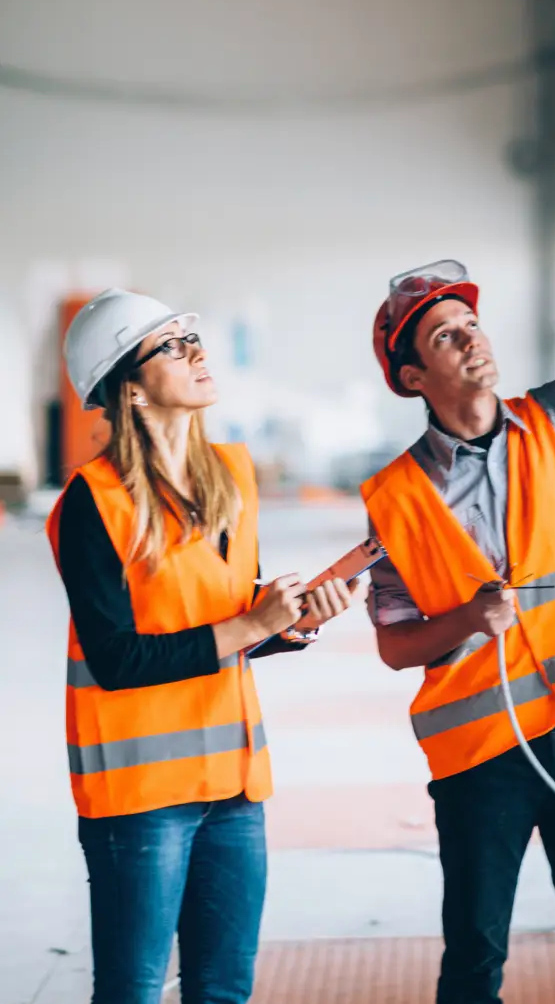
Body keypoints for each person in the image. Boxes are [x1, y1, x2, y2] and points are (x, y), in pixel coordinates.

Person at [363, 156, 555, 1004]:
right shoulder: (396, 496)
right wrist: (468, 617)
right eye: (445, 337)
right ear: (412, 379)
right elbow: (395, 645)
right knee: (474, 963)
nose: (472, 339)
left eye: (471, 325)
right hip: (479, 753)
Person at [45, 288, 355, 1004]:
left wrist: (293, 620)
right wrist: (251, 625)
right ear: (128, 384)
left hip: (235, 789)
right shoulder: (95, 502)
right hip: (141, 801)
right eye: (173, 345)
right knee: (132, 991)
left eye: (193, 337)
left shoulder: (232, 477)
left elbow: (228, 616)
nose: (197, 353)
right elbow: (117, 658)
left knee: (222, 991)